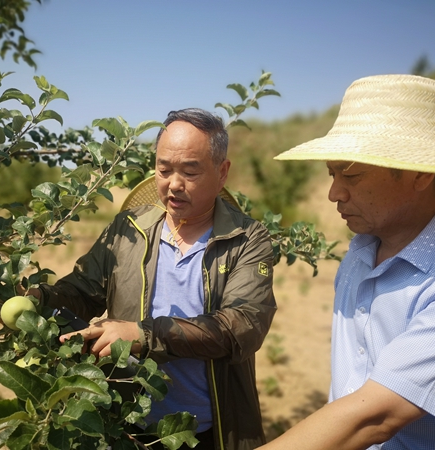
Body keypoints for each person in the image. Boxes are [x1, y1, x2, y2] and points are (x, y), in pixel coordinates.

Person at [29, 108, 277, 450]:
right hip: (127, 424)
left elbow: (240, 327)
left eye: (190, 171)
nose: (174, 184)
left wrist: (144, 335)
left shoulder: (247, 239)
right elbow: (83, 292)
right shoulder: (128, 228)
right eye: (164, 170)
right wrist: (39, 299)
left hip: (210, 431)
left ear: (222, 173)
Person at [258, 74, 435, 450]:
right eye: (331, 174)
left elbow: (375, 417)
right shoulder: (360, 253)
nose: (334, 193)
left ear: (420, 173)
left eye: (353, 175)